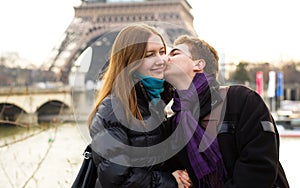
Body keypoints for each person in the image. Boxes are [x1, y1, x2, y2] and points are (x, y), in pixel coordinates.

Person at [164, 35, 290, 188]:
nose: (165, 58)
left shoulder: (241, 100)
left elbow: (259, 167)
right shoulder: (174, 123)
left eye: (174, 53)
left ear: (198, 64)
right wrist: (173, 178)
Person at [88, 23, 192, 188]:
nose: (161, 60)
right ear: (131, 61)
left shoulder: (155, 103)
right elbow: (117, 180)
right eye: (149, 54)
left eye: (162, 52)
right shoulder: (112, 109)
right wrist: (171, 181)